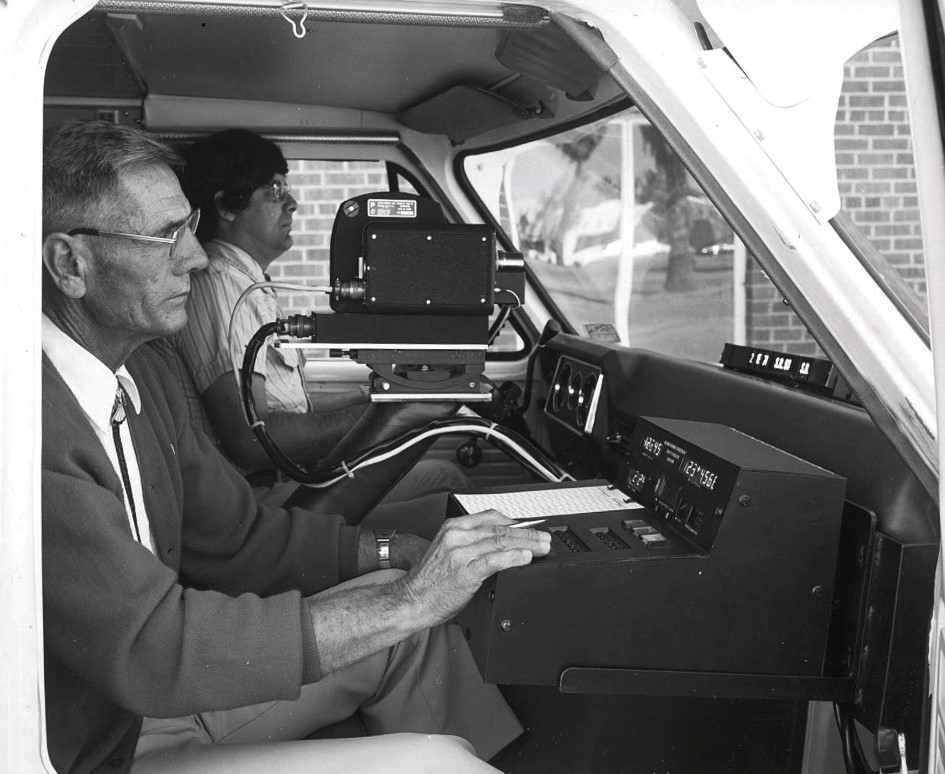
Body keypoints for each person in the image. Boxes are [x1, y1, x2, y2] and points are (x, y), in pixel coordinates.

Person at [41, 119, 551, 774]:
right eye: (166, 236)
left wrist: (396, 554)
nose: (195, 257)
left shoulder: (140, 372)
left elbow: (238, 539)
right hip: (101, 748)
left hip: (154, 695)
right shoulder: (32, 427)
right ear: (70, 264)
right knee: (442, 756)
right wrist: (407, 600)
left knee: (404, 614)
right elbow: (154, 650)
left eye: (190, 227)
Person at [163, 128, 467, 534]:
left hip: (289, 479)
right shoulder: (220, 285)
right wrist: (384, 415)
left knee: (444, 476)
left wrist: (371, 396)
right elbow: (251, 438)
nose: (292, 203)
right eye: (274, 190)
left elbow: (285, 407)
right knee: (450, 490)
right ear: (227, 206)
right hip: (258, 503)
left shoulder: (246, 284)